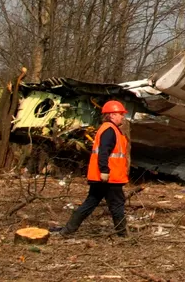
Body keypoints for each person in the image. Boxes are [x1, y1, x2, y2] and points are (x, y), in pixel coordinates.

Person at [55, 100, 131, 237]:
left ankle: (67, 230)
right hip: (109, 177)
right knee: (117, 205)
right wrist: (104, 171)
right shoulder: (109, 130)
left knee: (90, 203)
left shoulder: (109, 129)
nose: (122, 117)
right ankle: (123, 235)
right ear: (112, 115)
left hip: (106, 176)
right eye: (120, 114)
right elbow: (103, 152)